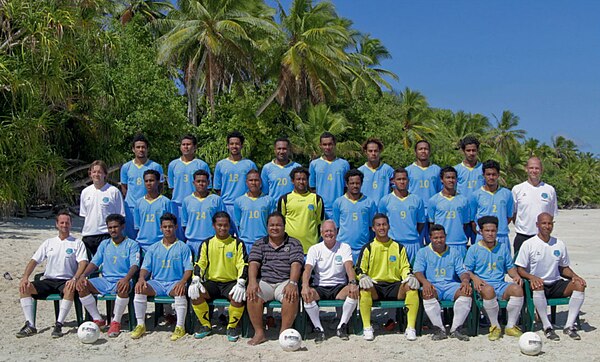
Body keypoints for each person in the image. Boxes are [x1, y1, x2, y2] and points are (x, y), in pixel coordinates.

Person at [16, 210, 88, 338]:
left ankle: (59, 324)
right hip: (48, 280)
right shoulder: (49, 242)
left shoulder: (77, 243)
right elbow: (34, 260)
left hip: (66, 280)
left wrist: (74, 278)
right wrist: (25, 277)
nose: (64, 225)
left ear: (71, 224)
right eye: (62, 223)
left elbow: (83, 263)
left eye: (67, 223)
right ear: (56, 224)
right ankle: (30, 324)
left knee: (70, 288)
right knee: (24, 287)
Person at [515, 212, 586, 341]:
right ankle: (547, 327)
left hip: (555, 282)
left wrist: (575, 276)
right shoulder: (529, 244)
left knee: (579, 285)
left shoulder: (559, 244)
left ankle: (569, 326)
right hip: (537, 284)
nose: (547, 226)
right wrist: (531, 277)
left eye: (549, 223)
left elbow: (564, 268)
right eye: (544, 223)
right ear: (537, 225)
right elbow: (520, 268)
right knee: (538, 284)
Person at [356, 214, 420, 341]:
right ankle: (367, 327)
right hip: (376, 286)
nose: (382, 227)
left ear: (389, 226)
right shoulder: (368, 247)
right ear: (373, 228)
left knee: (411, 287)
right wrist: (363, 276)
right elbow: (359, 269)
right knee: (364, 289)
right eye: (378, 225)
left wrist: (409, 276)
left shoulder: (399, 247)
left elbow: (405, 267)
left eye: (384, 224)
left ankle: (410, 328)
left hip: (395, 286)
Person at [76, 214, 140, 338]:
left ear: (122, 227)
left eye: (115, 227)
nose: (112, 230)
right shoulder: (105, 244)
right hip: (105, 280)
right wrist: (83, 275)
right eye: (110, 227)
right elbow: (94, 263)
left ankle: (116, 321)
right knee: (81, 285)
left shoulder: (132, 244)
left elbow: (134, 265)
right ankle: (97, 319)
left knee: (123, 286)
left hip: (122, 280)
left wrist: (126, 279)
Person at [130, 213, 192, 341]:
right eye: (165, 227)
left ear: (175, 227)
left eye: (170, 226)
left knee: (180, 290)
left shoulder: (183, 247)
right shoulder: (153, 248)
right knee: (139, 288)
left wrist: (183, 281)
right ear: (161, 228)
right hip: (157, 283)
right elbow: (145, 268)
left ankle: (180, 327)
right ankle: (140, 324)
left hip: (174, 283)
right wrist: (141, 278)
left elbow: (188, 268)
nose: (167, 229)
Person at [246, 212, 304, 346]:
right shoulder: (260, 243)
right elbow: (253, 263)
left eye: (278, 225)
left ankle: (283, 333)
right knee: (252, 294)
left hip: (284, 281)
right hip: (265, 281)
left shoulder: (294, 243)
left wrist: (292, 282)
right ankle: (259, 333)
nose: (275, 228)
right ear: (267, 227)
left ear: (284, 226)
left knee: (291, 295)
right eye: (272, 225)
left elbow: (296, 264)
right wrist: (252, 281)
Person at [188, 212, 248, 342]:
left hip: (230, 283)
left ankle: (231, 326)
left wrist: (241, 282)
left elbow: (243, 264)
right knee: (195, 293)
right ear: (214, 226)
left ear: (229, 226)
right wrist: (196, 278)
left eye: (225, 225)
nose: (223, 228)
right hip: (212, 283)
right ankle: (206, 325)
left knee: (239, 297)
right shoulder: (207, 243)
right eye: (219, 225)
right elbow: (200, 262)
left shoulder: (238, 243)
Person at [464, 216, 524, 341]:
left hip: (500, 284)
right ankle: (495, 326)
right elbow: (466, 270)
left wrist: (516, 275)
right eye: (487, 231)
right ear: (481, 231)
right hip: (483, 285)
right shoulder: (474, 249)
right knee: (489, 290)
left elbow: (509, 267)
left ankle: (510, 326)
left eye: (493, 231)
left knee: (517, 289)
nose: (490, 234)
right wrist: (474, 278)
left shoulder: (502, 247)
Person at [301, 220, 359, 343]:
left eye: (331, 231)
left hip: (339, 286)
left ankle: (342, 326)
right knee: (307, 295)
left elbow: (349, 267)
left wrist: (353, 283)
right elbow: (307, 270)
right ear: (321, 233)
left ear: (336, 232)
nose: (329, 233)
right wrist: (305, 286)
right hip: (320, 286)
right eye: (326, 231)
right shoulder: (314, 249)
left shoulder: (344, 247)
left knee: (353, 291)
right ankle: (318, 328)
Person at [414, 224, 472, 341]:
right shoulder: (423, 252)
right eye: (436, 238)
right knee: (427, 293)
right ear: (430, 238)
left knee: (466, 291)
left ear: (445, 237)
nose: (439, 240)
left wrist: (465, 281)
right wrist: (425, 282)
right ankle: (439, 329)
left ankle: (456, 329)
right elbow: (418, 271)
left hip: (451, 285)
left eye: (441, 237)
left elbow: (462, 271)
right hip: (433, 284)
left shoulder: (454, 252)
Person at [213, 131, 258, 235]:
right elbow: (217, 187)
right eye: (232, 144)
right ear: (228, 146)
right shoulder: (221, 165)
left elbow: (255, 185)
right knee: (225, 236)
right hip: (226, 206)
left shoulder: (249, 164)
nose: (234, 146)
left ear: (241, 145)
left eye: (237, 144)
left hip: (245, 205)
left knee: (242, 235)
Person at [167, 134, 212, 240]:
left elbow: (207, 187)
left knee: (193, 234)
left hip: (195, 206)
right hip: (177, 205)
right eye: (183, 144)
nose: (186, 147)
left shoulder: (202, 165)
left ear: (195, 147)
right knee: (177, 236)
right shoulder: (173, 165)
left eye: (189, 144)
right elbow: (172, 187)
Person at [120, 134, 164, 240]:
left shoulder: (156, 166)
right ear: (133, 149)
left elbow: (160, 186)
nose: (141, 149)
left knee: (148, 236)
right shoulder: (126, 167)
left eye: (143, 147)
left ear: (147, 149)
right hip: (130, 207)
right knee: (131, 237)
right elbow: (124, 187)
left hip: (149, 208)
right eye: (138, 147)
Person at [378, 168, 426, 264]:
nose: (402, 182)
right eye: (399, 179)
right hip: (393, 243)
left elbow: (420, 223)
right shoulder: (385, 200)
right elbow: (381, 222)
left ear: (408, 181)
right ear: (393, 181)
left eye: (404, 179)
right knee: (393, 275)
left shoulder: (417, 200)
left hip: (413, 244)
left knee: (414, 275)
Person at [512, 157, 558, 254]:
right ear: (526, 169)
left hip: (542, 237)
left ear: (541, 170)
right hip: (522, 237)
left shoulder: (549, 190)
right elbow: (514, 214)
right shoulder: (517, 189)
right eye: (531, 168)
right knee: (519, 268)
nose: (534, 171)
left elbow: (551, 215)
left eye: (537, 168)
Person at [80, 160, 125, 258]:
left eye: (99, 172)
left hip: (106, 234)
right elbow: (84, 215)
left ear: (105, 174)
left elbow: (120, 216)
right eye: (94, 172)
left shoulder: (114, 191)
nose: (96, 174)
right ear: (90, 174)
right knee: (89, 268)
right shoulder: (85, 192)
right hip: (88, 235)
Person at [332, 169, 377, 262]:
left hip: (363, 248)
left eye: (357, 183)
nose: (355, 186)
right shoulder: (338, 202)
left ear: (361, 183)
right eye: (352, 183)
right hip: (343, 248)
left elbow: (372, 228)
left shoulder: (369, 202)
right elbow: (336, 227)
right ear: (346, 184)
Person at [278, 167, 324, 254]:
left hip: (311, 248)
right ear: (292, 181)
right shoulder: (285, 199)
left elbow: (320, 222)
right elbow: (280, 223)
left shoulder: (316, 199)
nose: (301, 182)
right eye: (298, 179)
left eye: (304, 179)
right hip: (290, 248)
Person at [469, 160, 514, 249]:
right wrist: (482, 232)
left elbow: (509, 217)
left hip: (501, 236)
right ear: (483, 175)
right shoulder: (476, 195)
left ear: (498, 175)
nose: (491, 177)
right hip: (482, 237)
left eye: (494, 174)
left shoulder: (507, 194)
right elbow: (472, 220)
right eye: (488, 174)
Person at [427, 166, 471, 256]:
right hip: (441, 244)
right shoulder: (433, 200)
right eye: (448, 177)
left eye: (453, 178)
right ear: (442, 180)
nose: (451, 180)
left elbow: (466, 224)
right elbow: (431, 224)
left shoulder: (463, 200)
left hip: (460, 244)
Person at [181, 170, 226, 258]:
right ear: (193, 183)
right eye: (198, 181)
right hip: (192, 242)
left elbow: (223, 222)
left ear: (208, 182)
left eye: (203, 181)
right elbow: (184, 224)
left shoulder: (216, 200)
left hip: (212, 241)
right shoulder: (187, 201)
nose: (201, 184)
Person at [406, 140, 442, 245]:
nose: (423, 151)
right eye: (420, 149)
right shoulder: (408, 170)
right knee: (417, 241)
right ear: (415, 151)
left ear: (429, 151)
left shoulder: (437, 170)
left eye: (426, 149)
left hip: (433, 211)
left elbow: (440, 191)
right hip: (415, 211)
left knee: (435, 242)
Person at [309, 132, 350, 219]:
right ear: (320, 145)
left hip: (339, 207)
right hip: (321, 208)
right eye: (324, 144)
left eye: (330, 144)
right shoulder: (314, 164)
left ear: (334, 145)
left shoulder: (344, 164)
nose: (327, 147)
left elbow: (347, 188)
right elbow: (312, 188)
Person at [234, 170, 276, 253]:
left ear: (260, 182)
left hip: (263, 242)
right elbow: (238, 223)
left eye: (256, 180)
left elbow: (272, 222)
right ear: (246, 182)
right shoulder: (239, 201)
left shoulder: (269, 200)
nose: (253, 183)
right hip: (245, 242)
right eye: (251, 180)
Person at [133, 170, 175, 252]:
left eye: (151, 180)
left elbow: (171, 225)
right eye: (146, 181)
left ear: (158, 182)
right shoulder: (138, 203)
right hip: (142, 245)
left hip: (160, 244)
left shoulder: (166, 202)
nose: (149, 183)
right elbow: (137, 226)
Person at [455, 136, 484, 245]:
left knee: (479, 248)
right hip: (462, 215)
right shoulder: (457, 170)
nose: (471, 153)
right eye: (468, 150)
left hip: (479, 215)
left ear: (477, 151)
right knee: (461, 246)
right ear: (463, 151)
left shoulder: (484, 169)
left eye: (474, 150)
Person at [357, 138, 394, 205]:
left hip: (383, 210)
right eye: (370, 151)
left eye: (376, 151)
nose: (373, 153)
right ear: (365, 152)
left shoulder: (388, 170)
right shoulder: (360, 171)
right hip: (365, 209)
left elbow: (397, 190)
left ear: (380, 151)